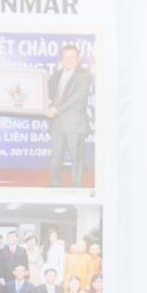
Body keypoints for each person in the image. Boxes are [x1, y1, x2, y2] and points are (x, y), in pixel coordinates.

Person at [47, 43, 91, 187]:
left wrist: (57, 109)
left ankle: (76, 185)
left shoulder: (84, 75)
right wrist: (45, 81)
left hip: (74, 122)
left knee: (76, 157)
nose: (68, 60)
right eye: (65, 57)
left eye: (72, 57)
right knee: (55, 156)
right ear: (61, 59)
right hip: (57, 122)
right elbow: (51, 94)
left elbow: (77, 97)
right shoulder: (57, 74)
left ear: (78, 59)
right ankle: (55, 184)